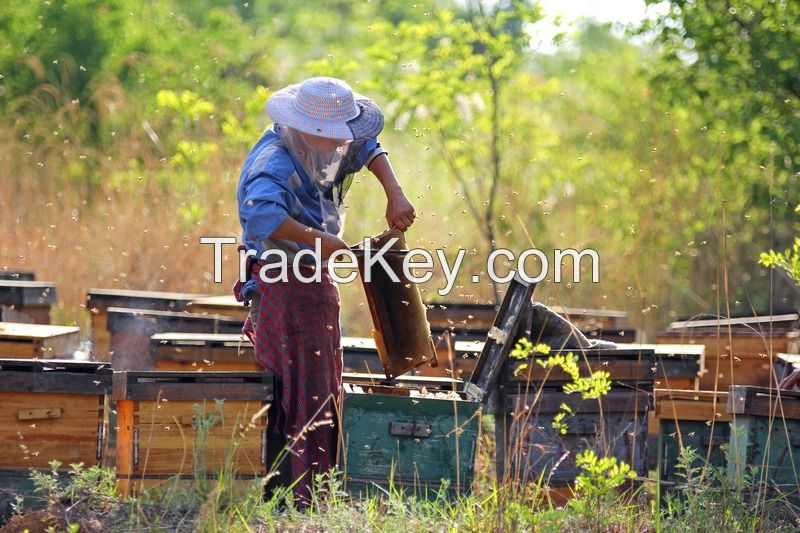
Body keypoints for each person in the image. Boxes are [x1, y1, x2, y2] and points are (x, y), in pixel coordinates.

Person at [234, 77, 416, 503]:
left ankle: (318, 484)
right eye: (331, 136)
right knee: (295, 386)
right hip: (283, 280)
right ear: (305, 128)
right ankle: (296, 491)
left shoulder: (329, 140)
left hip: (313, 278)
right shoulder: (273, 162)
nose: (339, 143)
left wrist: (395, 191)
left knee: (320, 382)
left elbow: (368, 146)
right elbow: (262, 219)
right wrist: (322, 240)